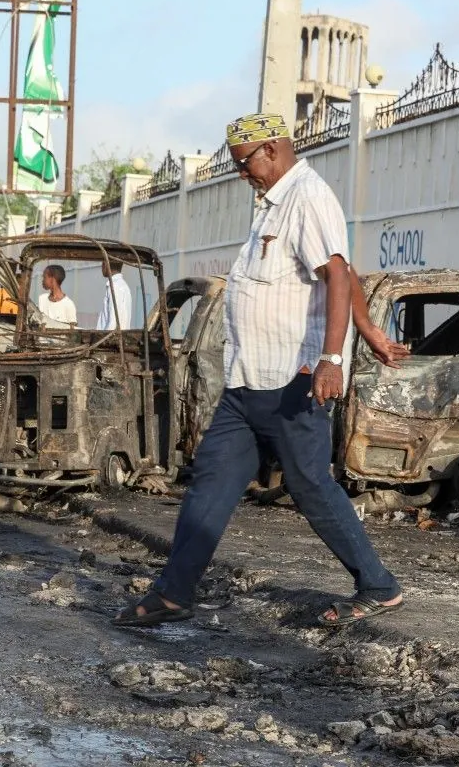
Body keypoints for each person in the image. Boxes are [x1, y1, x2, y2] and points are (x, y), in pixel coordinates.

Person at [114, 113, 408, 630]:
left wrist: (334, 356)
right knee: (210, 483)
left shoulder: (307, 197)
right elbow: (341, 271)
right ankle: (173, 593)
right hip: (248, 379)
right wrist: (372, 331)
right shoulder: (272, 204)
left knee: (311, 485)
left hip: (293, 379)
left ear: (272, 149)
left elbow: (336, 271)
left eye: (245, 163)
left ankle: (378, 585)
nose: (242, 174)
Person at [96, 259, 132, 330]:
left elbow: (113, 323)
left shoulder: (115, 287)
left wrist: (105, 341)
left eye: (102, 263)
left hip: (111, 339)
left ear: (105, 264)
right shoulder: (121, 285)